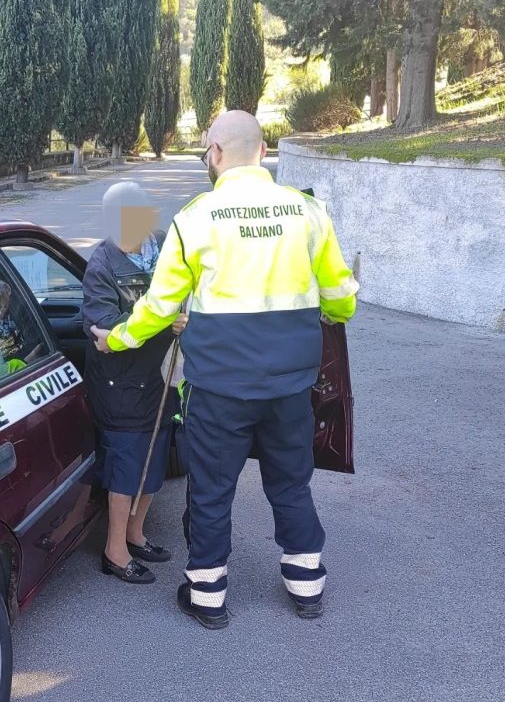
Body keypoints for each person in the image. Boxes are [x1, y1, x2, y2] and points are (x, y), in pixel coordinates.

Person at [91, 111, 357, 626]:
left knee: (212, 486)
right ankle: (306, 585)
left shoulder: (196, 219)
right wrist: (330, 312)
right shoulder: (307, 212)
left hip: (218, 389)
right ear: (262, 152)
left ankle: (208, 595)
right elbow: (342, 297)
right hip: (289, 388)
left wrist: (117, 337)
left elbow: (159, 307)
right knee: (290, 483)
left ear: (214, 152)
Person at [84, 181, 187, 585]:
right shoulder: (101, 266)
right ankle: (114, 550)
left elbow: (184, 286)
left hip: (161, 377)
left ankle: (135, 532)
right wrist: (165, 323)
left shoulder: (162, 247)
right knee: (127, 468)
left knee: (156, 460)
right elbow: (105, 332)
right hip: (120, 385)